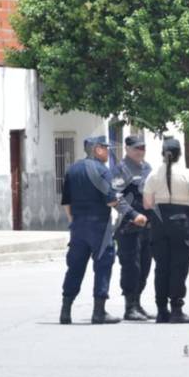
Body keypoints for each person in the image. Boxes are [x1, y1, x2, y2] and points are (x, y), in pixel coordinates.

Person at [144, 139, 189, 324]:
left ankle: (161, 310)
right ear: (179, 154)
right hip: (181, 224)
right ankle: (177, 309)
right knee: (179, 267)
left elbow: (147, 203)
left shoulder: (153, 175)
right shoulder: (187, 174)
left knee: (161, 267)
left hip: (159, 223)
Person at [59, 135, 121, 325]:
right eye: (105, 148)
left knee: (75, 267)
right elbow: (111, 200)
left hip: (78, 225)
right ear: (96, 149)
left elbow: (66, 202)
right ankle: (99, 311)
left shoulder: (73, 169)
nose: (107, 151)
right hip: (99, 226)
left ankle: (66, 310)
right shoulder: (103, 171)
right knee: (103, 265)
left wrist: (74, 222)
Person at [112, 135, 154, 321]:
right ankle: (129, 307)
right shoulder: (121, 169)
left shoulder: (147, 168)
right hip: (129, 225)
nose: (140, 151)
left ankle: (137, 303)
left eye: (142, 148)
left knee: (145, 265)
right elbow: (116, 198)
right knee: (131, 267)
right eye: (136, 148)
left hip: (148, 225)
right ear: (127, 149)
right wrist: (133, 215)